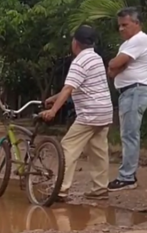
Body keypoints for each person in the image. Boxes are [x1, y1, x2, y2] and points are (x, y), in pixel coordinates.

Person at [40, 25, 112, 201]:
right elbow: (77, 87)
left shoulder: (79, 61)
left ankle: (61, 189)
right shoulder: (95, 58)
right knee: (98, 150)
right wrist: (54, 98)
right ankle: (100, 188)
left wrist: (53, 110)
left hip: (90, 114)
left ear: (76, 42)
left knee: (67, 147)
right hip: (104, 112)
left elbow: (69, 89)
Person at [106, 7, 147, 191]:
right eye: (119, 25)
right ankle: (127, 175)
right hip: (128, 92)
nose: (121, 29)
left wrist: (118, 64)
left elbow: (114, 64)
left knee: (130, 134)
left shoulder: (141, 39)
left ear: (136, 23)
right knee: (127, 134)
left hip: (135, 90)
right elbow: (112, 70)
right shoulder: (126, 45)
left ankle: (127, 177)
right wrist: (119, 65)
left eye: (124, 25)